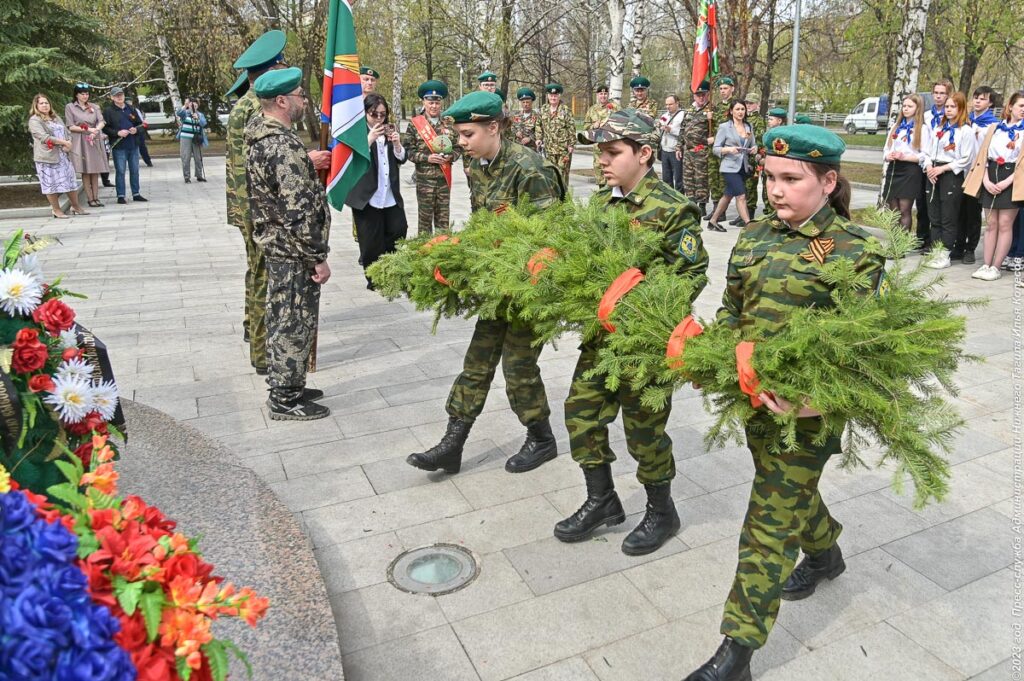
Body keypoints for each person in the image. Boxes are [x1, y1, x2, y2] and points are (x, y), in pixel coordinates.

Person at [683, 124, 885, 681]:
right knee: (788, 492)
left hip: (809, 415)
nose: (775, 189)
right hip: (755, 402)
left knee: (768, 522)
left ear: (828, 181)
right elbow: (731, 313)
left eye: (791, 179)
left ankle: (736, 653)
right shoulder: (752, 239)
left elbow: (866, 345)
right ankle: (825, 554)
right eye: (769, 177)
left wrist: (816, 400)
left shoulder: (856, 251)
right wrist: (715, 356)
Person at [559, 109, 708, 555]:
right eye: (599, 152)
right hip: (601, 337)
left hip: (644, 344)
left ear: (644, 153)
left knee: (644, 433)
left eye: (611, 152)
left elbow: (692, 273)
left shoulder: (672, 208)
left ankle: (662, 511)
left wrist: (639, 299)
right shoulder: (603, 202)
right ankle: (601, 498)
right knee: (580, 414)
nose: (601, 161)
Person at [406, 90, 565, 476]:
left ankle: (541, 439)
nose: (460, 143)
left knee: (518, 367)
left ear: (493, 127)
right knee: (477, 361)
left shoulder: (531, 170)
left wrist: (524, 275)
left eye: (466, 134)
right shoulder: (478, 165)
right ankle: (453, 444)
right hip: (498, 283)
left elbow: (553, 239)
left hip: (531, 288)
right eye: (459, 135)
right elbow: (485, 224)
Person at [225, 30, 329, 373]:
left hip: (252, 207)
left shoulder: (246, 105)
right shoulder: (255, 108)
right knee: (266, 282)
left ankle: (262, 348)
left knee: (260, 278)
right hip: (263, 212)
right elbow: (267, 167)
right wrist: (305, 162)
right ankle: (264, 356)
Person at [246, 67, 331, 421]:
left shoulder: (266, 137)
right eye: (300, 96)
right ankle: (284, 398)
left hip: (281, 246)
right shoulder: (281, 145)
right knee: (293, 321)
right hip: (294, 250)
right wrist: (317, 257)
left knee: (285, 317)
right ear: (282, 101)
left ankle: (289, 382)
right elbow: (299, 211)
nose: (304, 101)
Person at [346, 93, 408, 287]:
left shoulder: (389, 132)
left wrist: (397, 143)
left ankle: (391, 271)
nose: (379, 119)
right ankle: (374, 279)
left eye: (383, 114)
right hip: (367, 195)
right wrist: (369, 139)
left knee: (398, 230)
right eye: (374, 114)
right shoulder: (357, 133)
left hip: (389, 193)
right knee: (370, 240)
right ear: (365, 113)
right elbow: (350, 160)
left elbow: (402, 158)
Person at [963, 90, 1024, 281]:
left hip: (1012, 177)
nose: (1023, 110)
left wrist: (1007, 181)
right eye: (1021, 105)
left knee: (1005, 224)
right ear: (1010, 106)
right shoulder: (995, 128)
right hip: (991, 175)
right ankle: (986, 264)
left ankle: (996, 266)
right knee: (991, 224)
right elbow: (983, 157)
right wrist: (986, 180)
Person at [921, 91, 974, 269]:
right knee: (934, 215)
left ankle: (945, 253)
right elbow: (927, 151)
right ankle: (936, 250)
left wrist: (942, 169)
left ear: (961, 109)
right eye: (947, 107)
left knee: (948, 217)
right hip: (933, 172)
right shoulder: (939, 129)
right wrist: (929, 167)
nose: (949, 110)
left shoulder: (965, 131)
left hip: (950, 173)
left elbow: (965, 158)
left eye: (953, 107)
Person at [404, 80, 460, 235]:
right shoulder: (415, 124)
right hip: (424, 181)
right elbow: (408, 151)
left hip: (443, 179)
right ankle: (424, 253)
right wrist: (426, 158)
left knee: (443, 221)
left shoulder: (449, 123)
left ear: (441, 103)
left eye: (437, 102)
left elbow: (458, 147)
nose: (434, 106)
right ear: (424, 102)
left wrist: (450, 157)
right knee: (425, 222)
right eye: (430, 102)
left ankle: (442, 253)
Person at [955, 86, 1000, 264]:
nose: (977, 101)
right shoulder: (965, 120)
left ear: (990, 103)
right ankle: (958, 245)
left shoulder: (992, 125)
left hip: (979, 172)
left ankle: (970, 248)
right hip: (962, 170)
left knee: (973, 212)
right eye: (975, 98)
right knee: (959, 210)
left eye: (982, 99)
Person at [28, 93, 86, 218]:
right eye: (41, 103)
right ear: (36, 105)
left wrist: (69, 142)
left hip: (63, 155)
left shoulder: (55, 117)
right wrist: (63, 142)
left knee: (70, 181)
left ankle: (76, 206)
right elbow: (43, 137)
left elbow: (66, 132)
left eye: (46, 103)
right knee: (51, 184)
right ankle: (56, 209)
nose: (44, 105)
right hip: (47, 158)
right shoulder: (34, 120)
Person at [706, 99, 757, 232]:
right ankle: (749, 225)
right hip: (729, 167)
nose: (740, 112)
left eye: (742, 109)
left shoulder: (748, 126)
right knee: (741, 196)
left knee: (728, 195)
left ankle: (713, 221)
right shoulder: (724, 127)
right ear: (731, 111)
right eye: (737, 109)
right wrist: (729, 150)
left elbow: (753, 144)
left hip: (743, 166)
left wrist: (754, 149)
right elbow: (716, 148)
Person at [917, 79, 954, 251]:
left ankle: (943, 244)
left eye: (942, 93)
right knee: (924, 205)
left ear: (948, 95)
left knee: (943, 207)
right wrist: (927, 165)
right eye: (936, 93)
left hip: (944, 165)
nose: (938, 97)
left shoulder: (951, 117)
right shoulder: (926, 115)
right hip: (927, 162)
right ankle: (925, 239)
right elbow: (925, 143)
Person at [881, 94, 926, 232]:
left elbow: (924, 155)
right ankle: (894, 242)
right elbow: (886, 149)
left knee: (904, 209)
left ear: (917, 108)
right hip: (894, 168)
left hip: (910, 170)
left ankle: (901, 247)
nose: (906, 109)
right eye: (904, 106)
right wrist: (889, 156)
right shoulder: (896, 126)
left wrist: (905, 157)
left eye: (910, 106)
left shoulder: (922, 128)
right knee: (893, 211)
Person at [64, 83, 108, 208]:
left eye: (87, 94)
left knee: (95, 169)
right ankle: (90, 198)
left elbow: (101, 121)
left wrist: (96, 130)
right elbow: (71, 126)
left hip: (94, 138)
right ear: (76, 95)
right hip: (81, 139)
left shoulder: (94, 106)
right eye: (82, 94)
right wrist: (88, 130)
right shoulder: (70, 107)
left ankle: (96, 197)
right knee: (86, 170)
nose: (85, 96)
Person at [101, 87, 146, 205]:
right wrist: (117, 133)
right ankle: (121, 195)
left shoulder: (131, 108)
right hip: (119, 145)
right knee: (120, 170)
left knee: (135, 170)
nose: (119, 97)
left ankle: (136, 193)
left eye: (121, 95)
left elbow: (141, 125)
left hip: (133, 144)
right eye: (116, 95)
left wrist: (136, 130)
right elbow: (105, 128)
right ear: (111, 97)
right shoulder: (108, 111)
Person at [676, 79, 712, 217]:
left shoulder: (710, 110)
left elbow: (715, 130)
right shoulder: (689, 110)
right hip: (688, 150)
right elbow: (682, 129)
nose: (701, 97)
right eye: (698, 95)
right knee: (688, 179)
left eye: (703, 94)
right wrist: (679, 147)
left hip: (701, 150)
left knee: (701, 179)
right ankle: (691, 203)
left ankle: (702, 205)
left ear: (708, 94)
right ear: (694, 96)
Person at [535, 83, 575, 183]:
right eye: (551, 95)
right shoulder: (543, 110)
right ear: (548, 96)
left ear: (559, 96)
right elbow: (538, 125)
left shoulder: (566, 110)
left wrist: (571, 144)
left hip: (563, 149)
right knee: (551, 174)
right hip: (549, 149)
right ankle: (553, 197)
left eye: (555, 95)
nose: (553, 97)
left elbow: (571, 128)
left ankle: (564, 197)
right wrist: (539, 138)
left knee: (563, 174)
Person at [708, 76, 737, 207]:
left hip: (727, 148)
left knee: (723, 179)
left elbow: (735, 127)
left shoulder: (736, 106)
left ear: (732, 89)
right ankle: (715, 207)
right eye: (720, 89)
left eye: (725, 88)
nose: (722, 91)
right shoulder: (718, 107)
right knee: (713, 177)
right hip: (715, 148)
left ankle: (722, 210)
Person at [583, 85, 619, 186]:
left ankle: (614, 199)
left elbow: (623, 124)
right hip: (598, 148)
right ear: (597, 95)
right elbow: (585, 126)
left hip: (612, 147)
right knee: (599, 175)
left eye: (605, 94)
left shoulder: (616, 107)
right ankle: (602, 198)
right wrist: (593, 126)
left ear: (608, 94)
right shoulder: (592, 109)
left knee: (613, 174)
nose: (603, 96)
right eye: (601, 94)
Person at [742, 94, 766, 221]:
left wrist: (757, 148)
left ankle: (750, 213)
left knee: (750, 186)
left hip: (752, 156)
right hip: (742, 155)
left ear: (757, 104)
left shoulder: (758, 119)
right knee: (743, 186)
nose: (748, 106)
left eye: (751, 103)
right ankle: (743, 213)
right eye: (747, 103)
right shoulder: (744, 119)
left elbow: (760, 137)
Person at [176, 97, 209, 183]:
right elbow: (178, 113)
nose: (194, 105)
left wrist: (197, 118)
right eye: (192, 104)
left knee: (198, 157)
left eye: (195, 104)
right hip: (185, 138)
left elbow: (203, 123)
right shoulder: (185, 113)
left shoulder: (200, 114)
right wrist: (185, 105)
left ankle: (199, 175)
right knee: (186, 157)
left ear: (198, 105)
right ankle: (187, 177)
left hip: (196, 138)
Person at [761, 107, 787, 210]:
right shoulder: (771, 133)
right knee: (766, 192)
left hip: (776, 169)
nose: (769, 121)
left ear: (779, 121)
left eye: (771, 119)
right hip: (768, 168)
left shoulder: (782, 135)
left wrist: (765, 160)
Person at [658, 94, 685, 192]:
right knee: (666, 179)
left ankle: (681, 203)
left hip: (676, 150)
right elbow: (660, 125)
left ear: (677, 103)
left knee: (679, 179)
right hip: (665, 150)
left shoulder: (683, 115)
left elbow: (683, 133)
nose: (668, 106)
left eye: (670, 104)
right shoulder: (665, 115)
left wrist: (670, 129)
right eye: (666, 104)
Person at [130, 99, 153, 167]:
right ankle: (133, 163)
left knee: (142, 147)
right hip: (129, 131)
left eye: (130, 102)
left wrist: (138, 128)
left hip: (138, 131)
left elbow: (142, 121)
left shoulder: (135, 110)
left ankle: (148, 161)